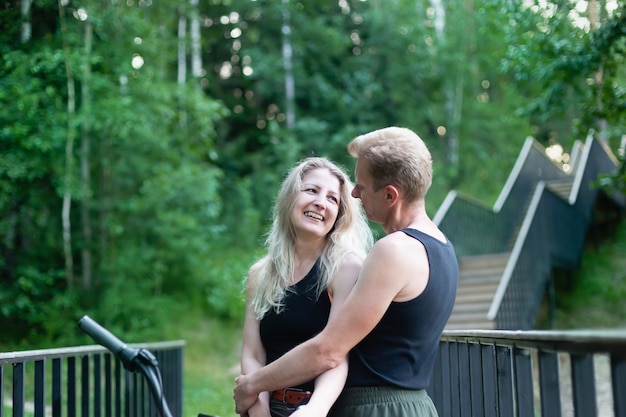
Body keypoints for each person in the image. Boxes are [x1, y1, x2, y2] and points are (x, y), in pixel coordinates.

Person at [234, 127, 459, 417]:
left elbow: (328, 351)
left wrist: (251, 385)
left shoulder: (392, 250)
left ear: (390, 195)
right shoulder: (443, 248)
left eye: (361, 186)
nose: (354, 193)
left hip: (375, 408)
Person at [239, 156, 373, 417]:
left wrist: (315, 410)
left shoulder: (347, 267)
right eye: (311, 190)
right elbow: (253, 353)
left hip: (323, 409)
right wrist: (260, 413)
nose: (320, 203)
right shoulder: (259, 274)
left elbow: (337, 355)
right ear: (290, 198)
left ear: (340, 214)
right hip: (267, 407)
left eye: (332, 199)